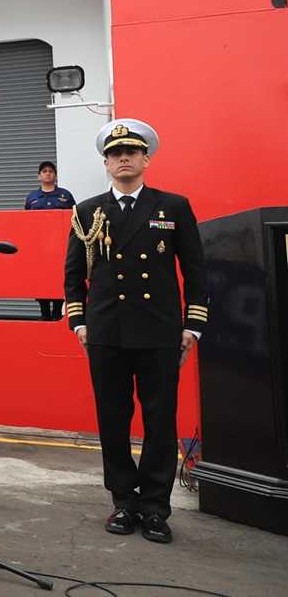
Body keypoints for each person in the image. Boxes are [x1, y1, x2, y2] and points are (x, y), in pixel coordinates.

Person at [64, 118, 207, 545]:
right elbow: (74, 275)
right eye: (114, 153)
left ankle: (155, 508)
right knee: (113, 419)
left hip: (160, 332)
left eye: (131, 152)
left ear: (146, 158)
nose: (122, 158)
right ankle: (124, 501)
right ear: (106, 163)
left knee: (160, 421)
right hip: (106, 332)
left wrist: (192, 326)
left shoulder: (173, 207)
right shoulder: (88, 211)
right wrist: (79, 321)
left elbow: (195, 270)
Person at [25, 160, 76, 321]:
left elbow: (74, 218)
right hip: (40, 246)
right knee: (41, 277)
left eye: (51, 171)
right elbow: (25, 221)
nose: (48, 173)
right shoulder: (32, 197)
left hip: (60, 246)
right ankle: (44, 312)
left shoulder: (65, 195)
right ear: (39, 176)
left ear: (55, 175)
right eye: (44, 171)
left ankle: (56, 313)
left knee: (59, 277)